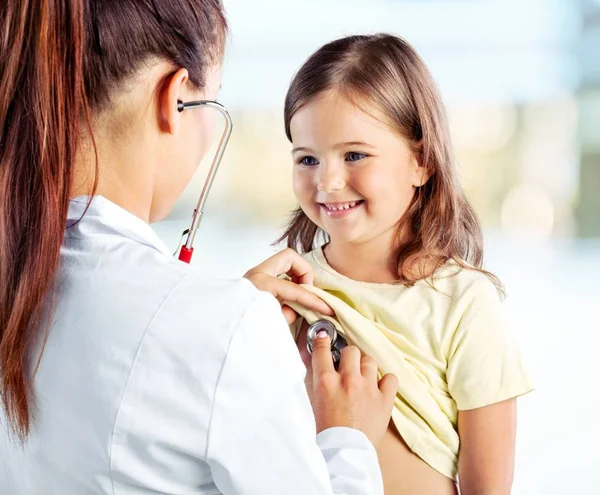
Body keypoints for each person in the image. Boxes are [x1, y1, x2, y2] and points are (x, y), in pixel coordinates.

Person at [0, 2, 398, 494]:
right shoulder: (224, 329)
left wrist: (226, 327)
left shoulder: (15, 276)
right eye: (214, 101)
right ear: (174, 98)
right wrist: (349, 438)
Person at [273, 34, 534, 494]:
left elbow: (488, 488)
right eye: (307, 158)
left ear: (422, 162)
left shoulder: (463, 302)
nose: (329, 181)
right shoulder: (286, 292)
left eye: (355, 155)